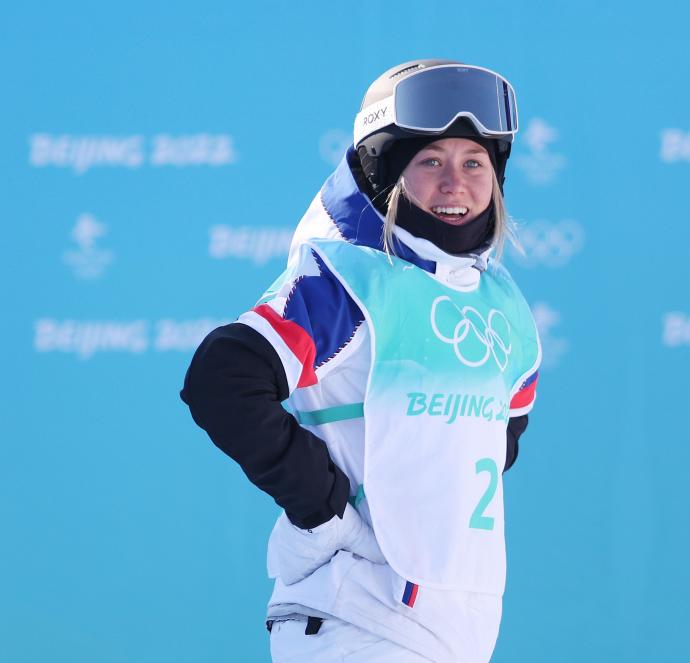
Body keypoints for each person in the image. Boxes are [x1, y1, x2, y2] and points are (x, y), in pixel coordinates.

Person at [181, 59, 541, 662]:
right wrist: (321, 507)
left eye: (473, 162)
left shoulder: (501, 301)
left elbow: (501, 434)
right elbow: (224, 377)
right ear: (387, 174)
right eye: (430, 162)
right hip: (355, 622)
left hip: (457, 631)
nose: (455, 183)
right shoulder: (348, 281)